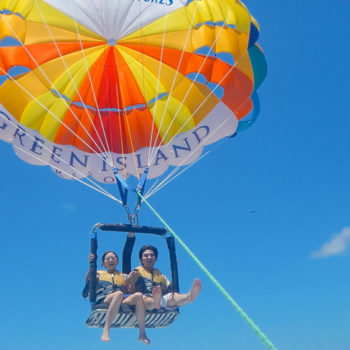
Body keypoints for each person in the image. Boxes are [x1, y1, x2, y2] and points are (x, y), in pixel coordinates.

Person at [86, 251, 150, 344]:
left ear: (117, 261)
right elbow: (88, 280)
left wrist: (132, 280)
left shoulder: (123, 276)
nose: (110, 260)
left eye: (113, 258)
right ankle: (106, 329)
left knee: (138, 295)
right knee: (118, 293)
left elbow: (130, 290)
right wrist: (91, 265)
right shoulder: (98, 274)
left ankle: (142, 333)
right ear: (103, 263)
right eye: (107, 259)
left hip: (121, 299)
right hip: (105, 299)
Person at [125, 245, 202, 311]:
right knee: (148, 300)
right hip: (143, 300)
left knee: (173, 297)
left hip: (159, 299)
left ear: (155, 259)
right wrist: (130, 279)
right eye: (146, 256)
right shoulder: (136, 272)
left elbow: (170, 288)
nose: (149, 257)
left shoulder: (160, 275)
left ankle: (188, 297)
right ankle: (155, 302)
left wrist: (174, 271)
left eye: (152, 255)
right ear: (141, 260)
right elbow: (128, 290)